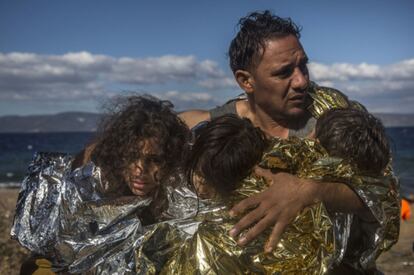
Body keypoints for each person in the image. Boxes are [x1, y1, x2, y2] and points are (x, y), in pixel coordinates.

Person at [178, 10, 399, 273]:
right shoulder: (216, 126)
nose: (302, 81)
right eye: (284, 72)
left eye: (303, 65)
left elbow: (384, 197)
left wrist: (310, 191)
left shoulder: (332, 116)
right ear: (246, 80)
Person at [13, 95, 191, 273]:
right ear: (118, 154)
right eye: (131, 156)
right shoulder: (94, 196)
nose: (139, 170)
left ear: (171, 158)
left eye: (154, 159)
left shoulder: (180, 209)